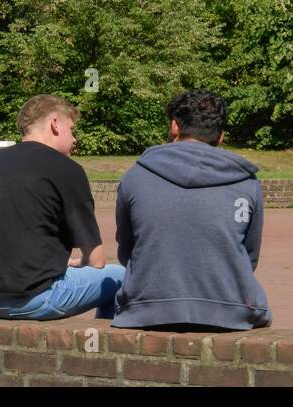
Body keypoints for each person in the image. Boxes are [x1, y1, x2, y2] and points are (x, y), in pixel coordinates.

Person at [0, 94, 124, 320]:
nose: (75, 139)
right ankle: (104, 349)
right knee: (122, 278)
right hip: (30, 298)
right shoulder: (67, 169)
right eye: (72, 129)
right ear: (55, 124)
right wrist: (74, 266)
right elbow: (96, 261)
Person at [113, 90, 271, 330]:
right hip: (230, 311)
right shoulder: (246, 183)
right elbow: (249, 257)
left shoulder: (135, 177)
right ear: (220, 136)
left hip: (146, 309)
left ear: (175, 127)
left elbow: (126, 251)